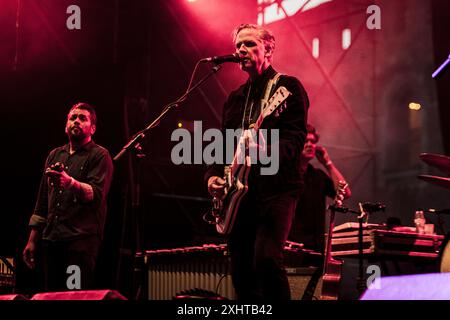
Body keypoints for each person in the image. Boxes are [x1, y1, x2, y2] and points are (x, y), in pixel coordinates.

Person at [205, 23, 309, 300]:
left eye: (250, 44)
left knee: (266, 259)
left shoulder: (287, 88)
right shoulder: (235, 99)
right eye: (238, 45)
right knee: (241, 271)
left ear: (269, 48)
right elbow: (223, 147)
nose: (241, 50)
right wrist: (213, 177)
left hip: (277, 190)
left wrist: (267, 152)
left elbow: (295, 139)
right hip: (240, 196)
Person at [22, 102, 113, 291]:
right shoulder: (54, 155)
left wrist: (69, 182)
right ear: (66, 126)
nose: (76, 121)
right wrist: (32, 240)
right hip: (52, 240)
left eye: (83, 118)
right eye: (73, 118)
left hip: (80, 242)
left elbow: (96, 195)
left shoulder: (100, 155)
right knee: (51, 294)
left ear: (93, 128)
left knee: (74, 294)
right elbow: (43, 201)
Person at [289, 124, 351, 254]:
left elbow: (345, 192)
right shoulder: (287, 173)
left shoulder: (317, 176)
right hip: (291, 245)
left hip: (316, 247)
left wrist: (328, 164)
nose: (310, 144)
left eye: (313, 141)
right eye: (306, 141)